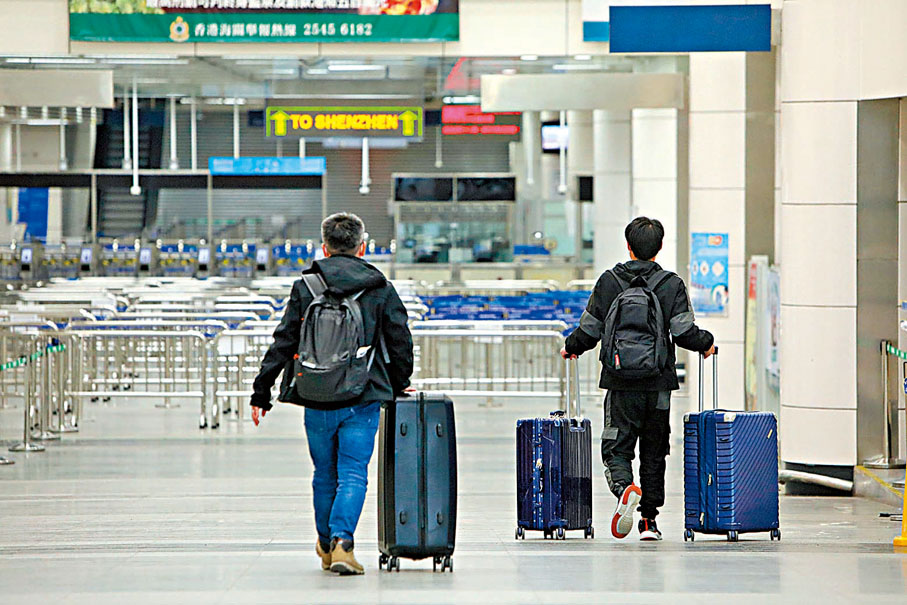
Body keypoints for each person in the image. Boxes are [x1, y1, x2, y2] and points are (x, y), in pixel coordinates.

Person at [250, 212, 414, 575]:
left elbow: (284, 339)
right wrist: (400, 381)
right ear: (362, 247)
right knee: (353, 472)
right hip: (364, 393)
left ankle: (325, 545)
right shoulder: (379, 286)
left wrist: (262, 391)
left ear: (323, 247)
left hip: (316, 394)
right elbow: (400, 341)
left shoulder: (306, 286)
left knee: (324, 472)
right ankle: (343, 542)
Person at [561, 217, 715, 542]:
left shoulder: (609, 281)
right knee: (654, 451)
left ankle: (624, 488)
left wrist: (570, 348)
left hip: (619, 384)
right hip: (658, 385)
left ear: (628, 246)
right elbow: (684, 332)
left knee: (617, 446)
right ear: (659, 248)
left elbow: (589, 329)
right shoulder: (671, 284)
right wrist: (707, 343)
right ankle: (648, 521)